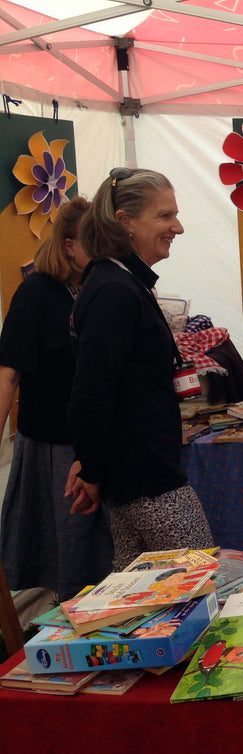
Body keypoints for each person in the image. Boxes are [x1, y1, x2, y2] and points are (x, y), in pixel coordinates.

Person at [67, 168, 214, 571]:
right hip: (147, 478)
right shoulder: (114, 289)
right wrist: (92, 468)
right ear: (124, 221)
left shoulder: (123, 282)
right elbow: (91, 392)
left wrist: (92, 465)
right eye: (165, 216)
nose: (178, 227)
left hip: (138, 474)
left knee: (139, 597)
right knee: (197, 579)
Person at [0, 198, 113, 601]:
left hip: (98, 438)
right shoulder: (37, 293)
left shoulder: (101, 288)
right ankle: (72, 625)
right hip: (55, 443)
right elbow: (8, 372)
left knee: (101, 549)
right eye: (94, 241)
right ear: (69, 245)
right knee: (70, 545)